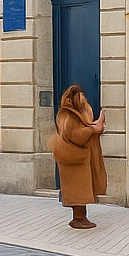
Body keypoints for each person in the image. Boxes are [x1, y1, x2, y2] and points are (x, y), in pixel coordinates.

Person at [48, 85, 107, 229]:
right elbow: (74, 135)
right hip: (73, 159)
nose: (83, 98)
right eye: (80, 96)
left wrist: (95, 127)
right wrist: (93, 129)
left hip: (80, 158)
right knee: (78, 189)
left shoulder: (79, 112)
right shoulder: (66, 114)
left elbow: (83, 129)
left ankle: (82, 216)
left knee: (83, 188)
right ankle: (78, 218)